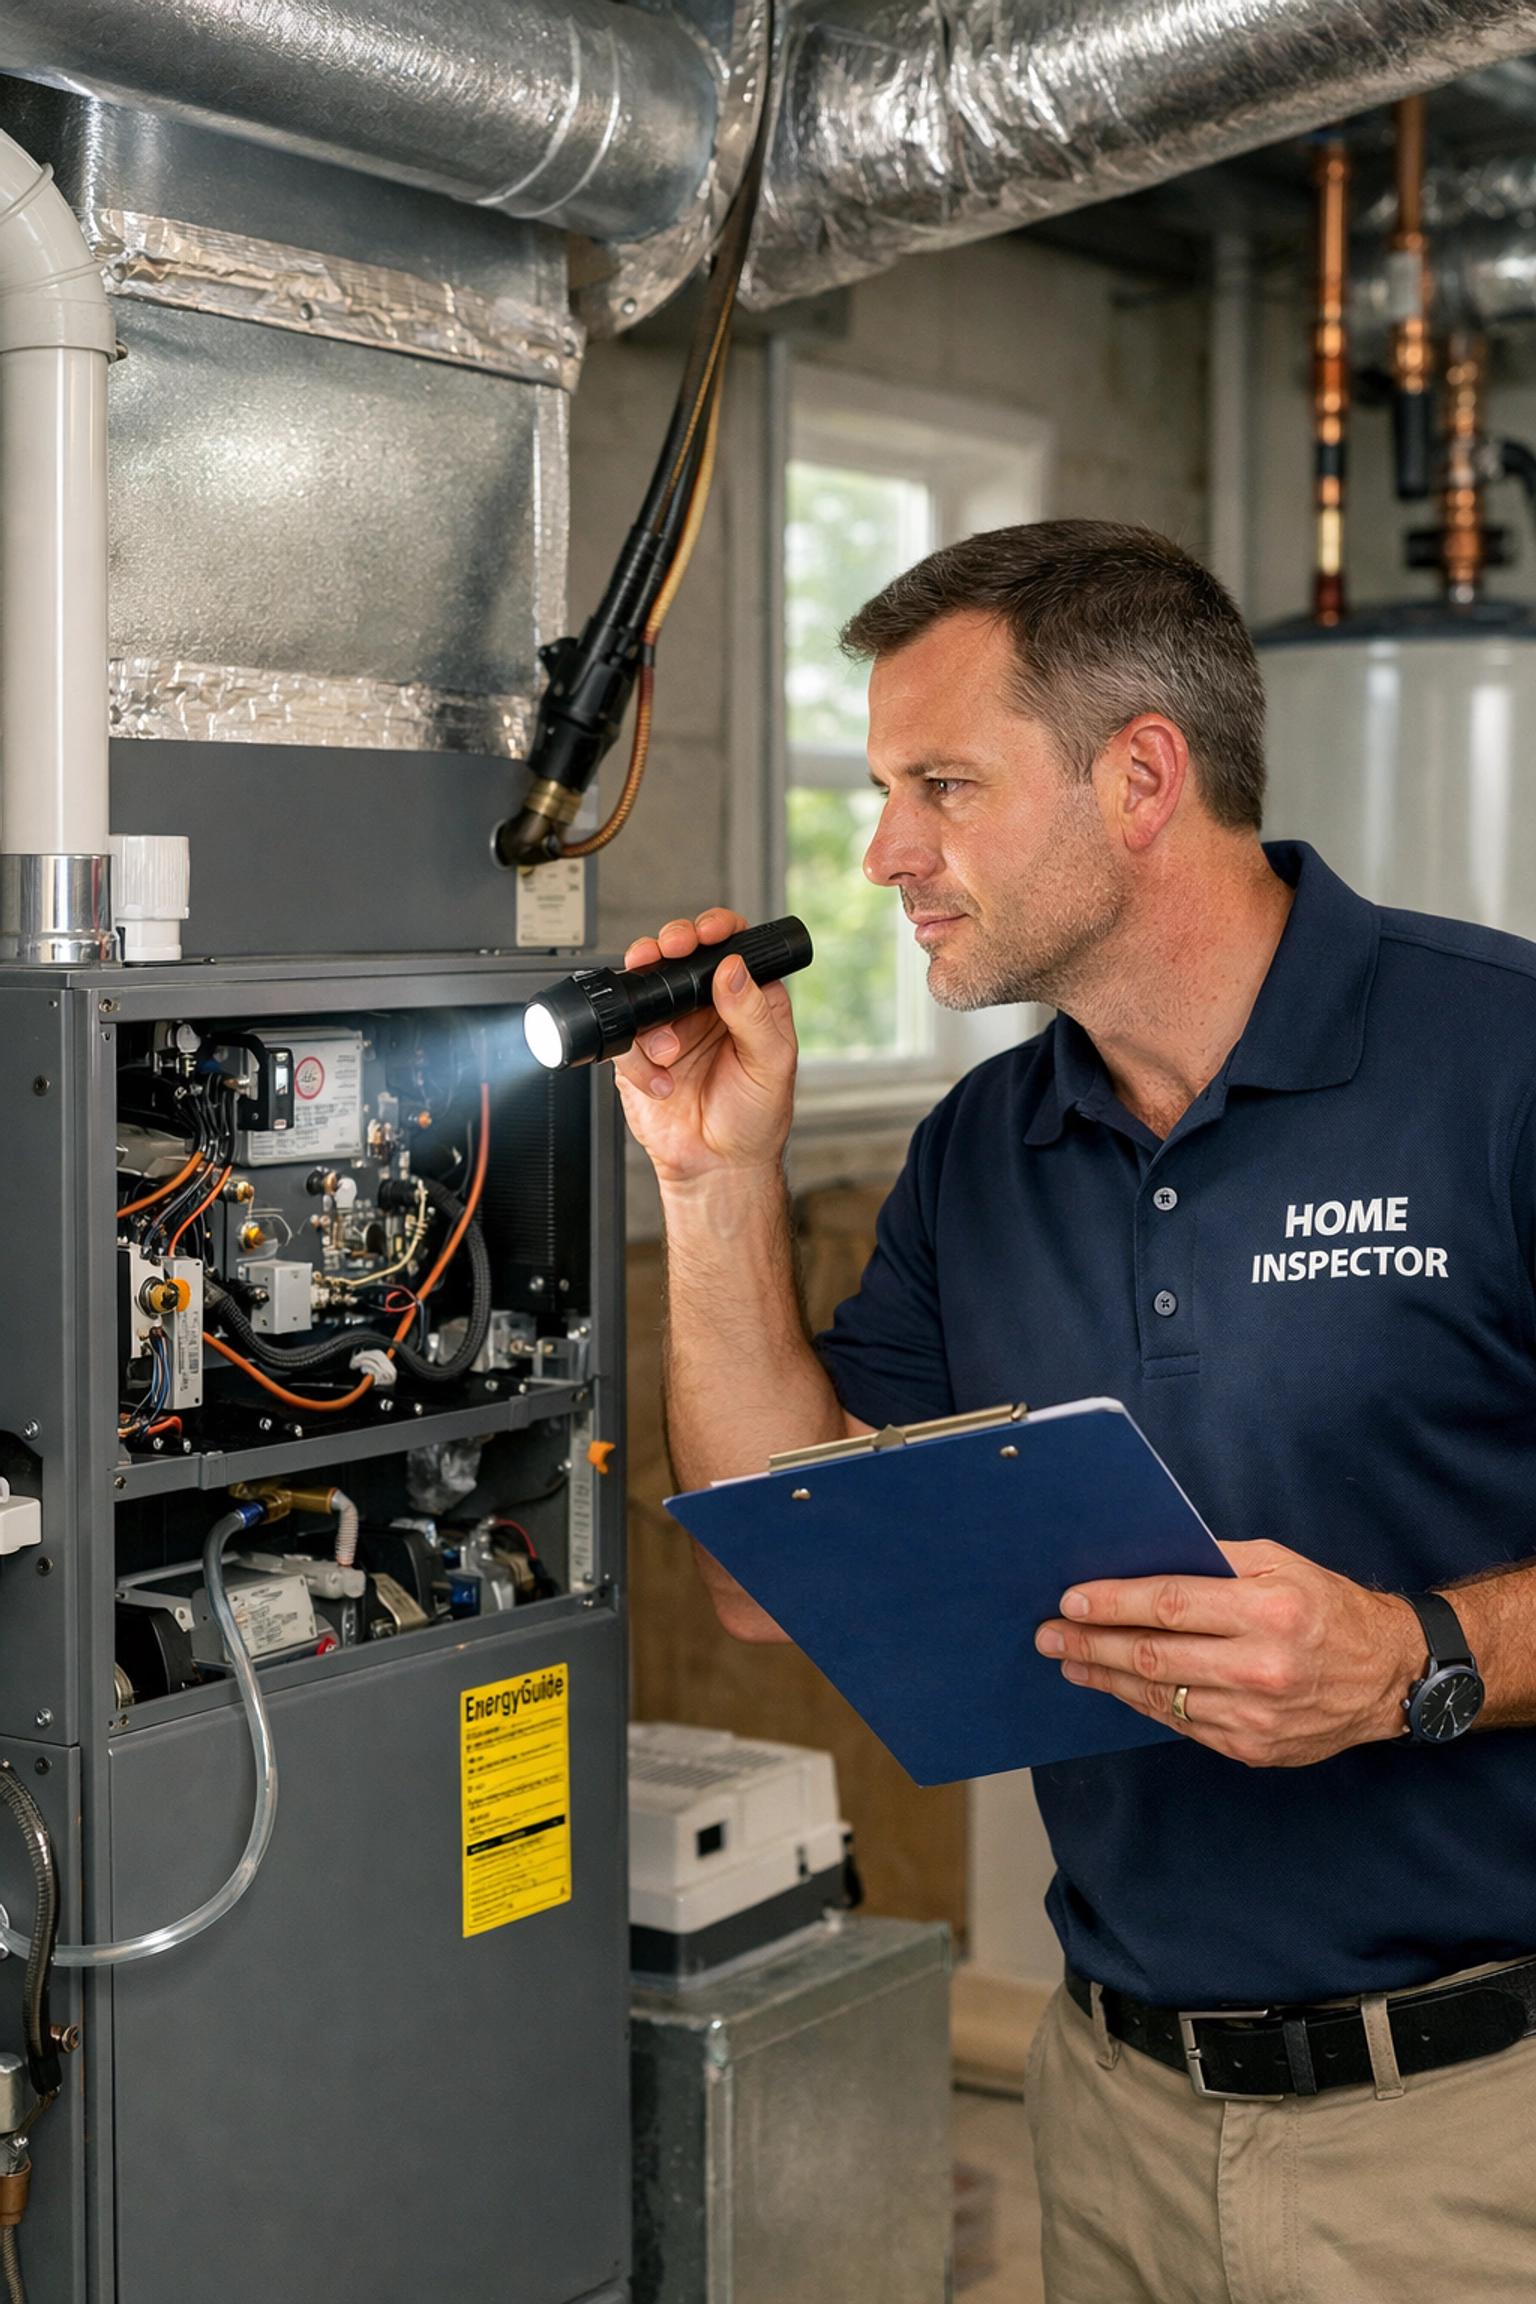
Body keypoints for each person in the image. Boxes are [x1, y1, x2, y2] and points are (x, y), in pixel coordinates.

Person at [615, 518, 1536, 2302]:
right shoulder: (985, 1147)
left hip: (1476, 2127)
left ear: (1141, 778)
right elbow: (769, 1575)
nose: (886, 854)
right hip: (1113, 2117)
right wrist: (713, 1184)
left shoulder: (1500, 1065)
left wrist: (1412, 1658)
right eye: (884, 793)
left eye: (943, 786)